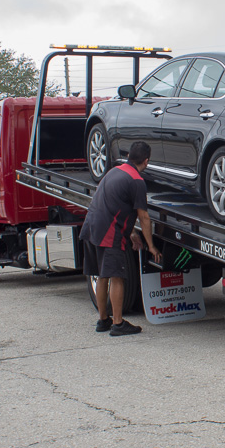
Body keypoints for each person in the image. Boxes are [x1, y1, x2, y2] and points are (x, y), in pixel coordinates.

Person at [80, 141, 161, 336]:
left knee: (102, 275)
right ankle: (117, 324)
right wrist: (151, 246)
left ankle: (103, 320)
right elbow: (144, 217)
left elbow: (115, 204)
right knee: (117, 276)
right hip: (109, 233)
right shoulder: (137, 181)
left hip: (92, 226)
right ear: (146, 161)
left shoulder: (115, 171)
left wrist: (131, 233)